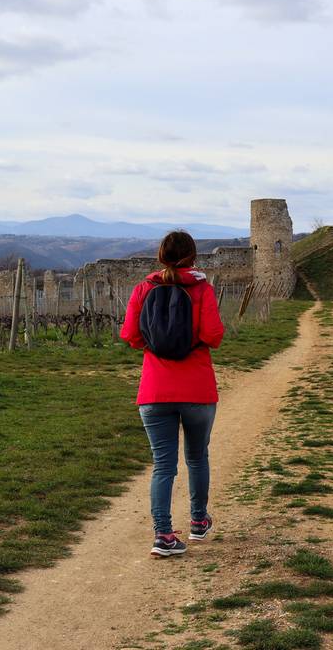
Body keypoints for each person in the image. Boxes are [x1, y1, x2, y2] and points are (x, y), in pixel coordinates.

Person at [120, 230, 225, 558]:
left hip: (154, 389)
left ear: (160, 256)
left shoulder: (143, 288)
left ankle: (163, 535)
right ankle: (197, 521)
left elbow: (130, 335)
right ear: (193, 257)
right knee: (197, 457)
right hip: (197, 388)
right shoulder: (201, 289)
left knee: (163, 465)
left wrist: (156, 346)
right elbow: (213, 335)